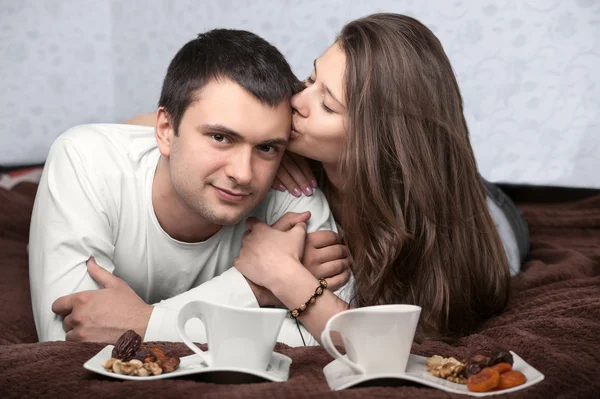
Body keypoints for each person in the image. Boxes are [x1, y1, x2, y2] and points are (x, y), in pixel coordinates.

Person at [29, 28, 352, 345]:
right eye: (221, 138)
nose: (243, 174)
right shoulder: (84, 161)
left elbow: (324, 340)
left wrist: (143, 323)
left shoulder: (294, 189)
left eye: (267, 147)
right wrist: (253, 287)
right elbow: (71, 339)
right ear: (166, 130)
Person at [232, 13, 531, 342]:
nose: (295, 101)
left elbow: (394, 345)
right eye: (309, 79)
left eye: (327, 106)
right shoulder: (284, 157)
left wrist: (282, 273)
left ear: (378, 140)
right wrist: (271, 150)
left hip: (493, 210)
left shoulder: (438, 235)